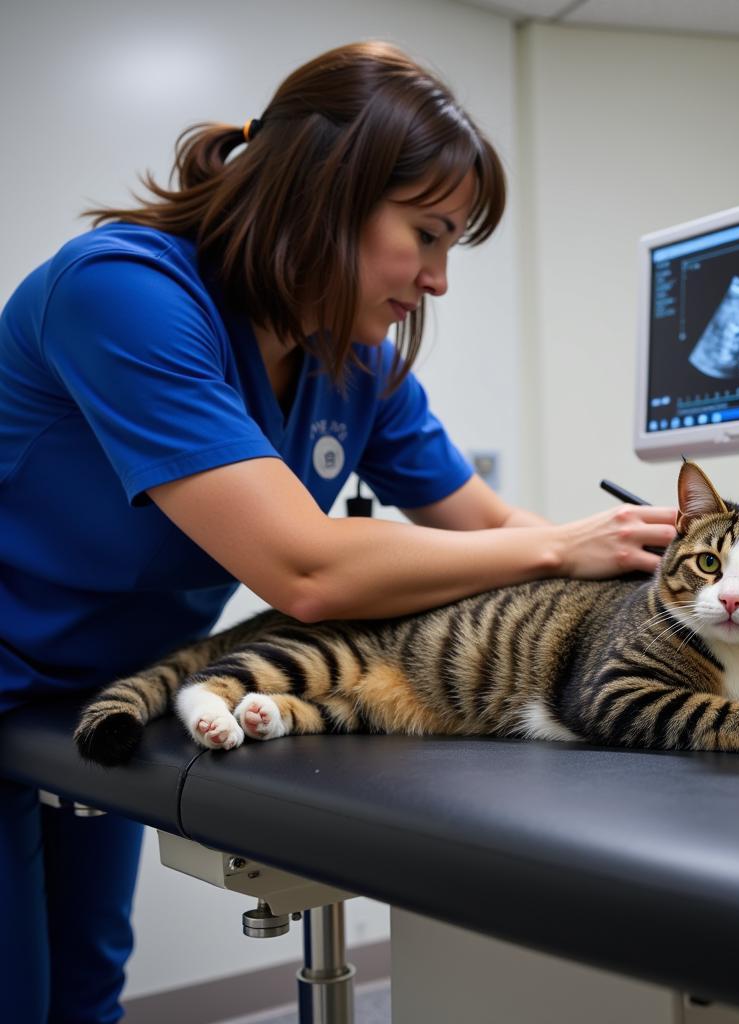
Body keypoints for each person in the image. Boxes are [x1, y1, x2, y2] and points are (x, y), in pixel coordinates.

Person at [0, 41, 676, 1022]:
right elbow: (303, 566)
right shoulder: (123, 292)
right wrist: (564, 547)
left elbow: (489, 526)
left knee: (86, 985)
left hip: (104, 690)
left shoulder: (353, 364)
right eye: (427, 234)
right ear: (323, 194)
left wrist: (656, 605)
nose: (439, 280)